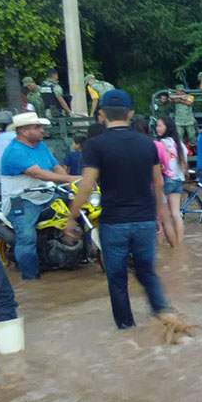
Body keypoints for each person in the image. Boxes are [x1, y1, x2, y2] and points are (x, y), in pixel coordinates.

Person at [66, 90, 176, 329]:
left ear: (102, 114)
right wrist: (159, 213)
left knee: (117, 278)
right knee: (147, 272)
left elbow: (87, 185)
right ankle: (165, 314)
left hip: (113, 222)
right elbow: (158, 183)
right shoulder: (148, 144)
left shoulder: (95, 145)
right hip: (144, 220)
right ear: (130, 113)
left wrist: (71, 217)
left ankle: (127, 329)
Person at [0, 113, 77, 280]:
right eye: (37, 127)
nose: (42, 130)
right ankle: (30, 279)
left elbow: (56, 167)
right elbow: (38, 173)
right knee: (27, 238)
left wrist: (72, 186)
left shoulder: (41, 146)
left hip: (46, 195)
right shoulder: (15, 151)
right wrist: (70, 178)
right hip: (22, 200)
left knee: (77, 212)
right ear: (24, 131)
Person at [132, 117, 178, 247]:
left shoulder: (130, 148)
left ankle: (158, 252)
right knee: (165, 221)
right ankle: (176, 250)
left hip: (137, 190)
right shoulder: (157, 145)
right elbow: (166, 165)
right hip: (157, 188)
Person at [155, 116, 187, 242]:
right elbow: (184, 165)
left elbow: (161, 164)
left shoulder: (163, 143)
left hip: (167, 180)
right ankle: (179, 244)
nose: (157, 128)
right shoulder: (180, 144)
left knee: (160, 216)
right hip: (178, 180)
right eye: (157, 126)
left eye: (160, 126)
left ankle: (160, 246)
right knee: (176, 214)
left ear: (167, 128)